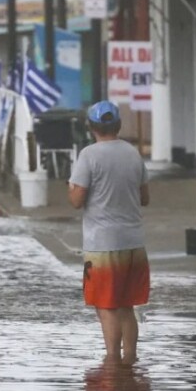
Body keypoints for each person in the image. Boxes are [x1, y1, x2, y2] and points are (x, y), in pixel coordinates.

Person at [68, 100, 150, 365]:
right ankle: (131, 360)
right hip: (134, 243)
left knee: (106, 306)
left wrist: (71, 188)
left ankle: (112, 363)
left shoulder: (89, 156)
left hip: (103, 244)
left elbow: (77, 200)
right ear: (118, 124)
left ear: (91, 126)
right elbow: (144, 198)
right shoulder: (133, 153)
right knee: (127, 306)